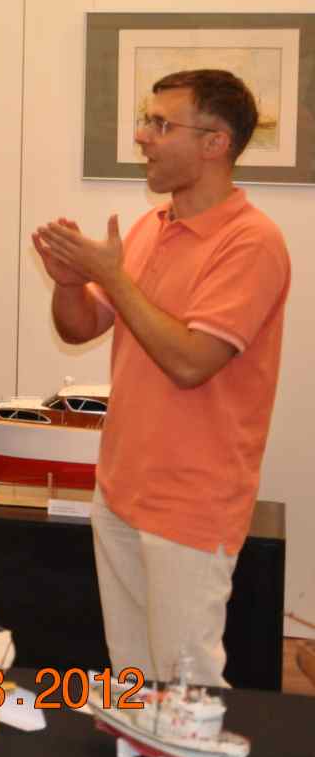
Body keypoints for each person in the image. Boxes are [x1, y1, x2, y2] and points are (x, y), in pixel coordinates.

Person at [34, 68, 290, 687]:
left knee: (186, 686)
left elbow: (190, 362)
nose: (143, 137)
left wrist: (111, 276)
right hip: (121, 487)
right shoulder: (152, 228)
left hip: (193, 499)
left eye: (160, 124)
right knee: (133, 677)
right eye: (146, 121)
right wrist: (70, 282)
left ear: (215, 143)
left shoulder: (252, 242)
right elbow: (79, 327)